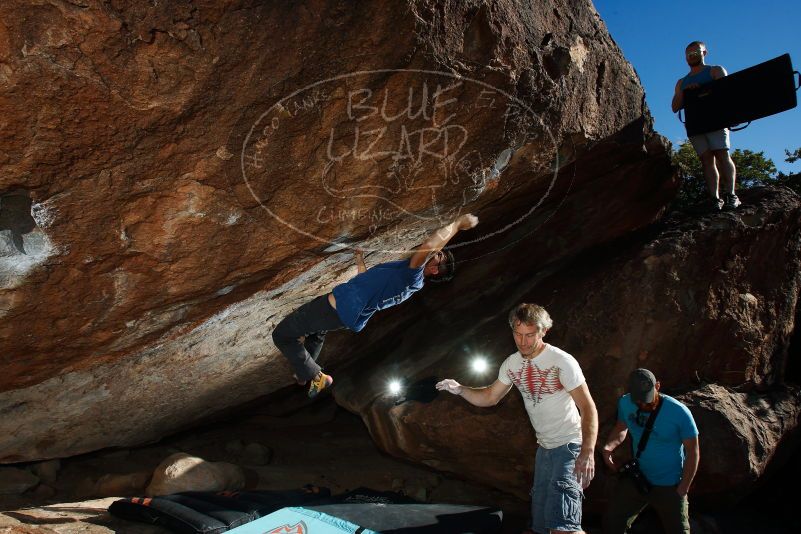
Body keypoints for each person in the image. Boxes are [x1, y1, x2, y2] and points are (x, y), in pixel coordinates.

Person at [272, 213, 478, 397]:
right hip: (345, 314)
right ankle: (303, 374)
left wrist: (457, 224)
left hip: (336, 307)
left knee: (282, 335)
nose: (435, 253)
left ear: (434, 270)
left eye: (438, 256)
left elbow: (429, 245)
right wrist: (360, 261)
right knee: (317, 333)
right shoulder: (407, 281)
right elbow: (367, 283)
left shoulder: (412, 275)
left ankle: (317, 375)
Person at [436, 304, 598, 534]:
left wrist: (588, 452)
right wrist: (460, 389)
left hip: (569, 447)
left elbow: (587, 407)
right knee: (540, 527)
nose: (523, 342)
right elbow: (490, 397)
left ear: (543, 332)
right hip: (544, 450)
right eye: (518, 334)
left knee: (564, 528)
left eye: (530, 335)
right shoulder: (512, 364)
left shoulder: (562, 361)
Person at [601, 369, 700, 534]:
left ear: (658, 386)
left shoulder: (679, 412)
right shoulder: (625, 403)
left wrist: (683, 488)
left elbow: (693, 451)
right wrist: (608, 448)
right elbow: (621, 428)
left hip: (670, 485)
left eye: (647, 398)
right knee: (612, 522)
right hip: (638, 478)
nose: (643, 404)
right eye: (638, 400)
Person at [671, 40, 740, 211]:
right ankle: (715, 199)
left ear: (704, 53)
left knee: (722, 154)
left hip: (716, 120)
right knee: (706, 160)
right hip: (696, 125)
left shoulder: (715, 70)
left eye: (696, 52)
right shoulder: (682, 82)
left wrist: (703, 88)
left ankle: (731, 195)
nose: (692, 56)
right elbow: (675, 107)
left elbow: (728, 90)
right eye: (689, 54)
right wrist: (687, 93)